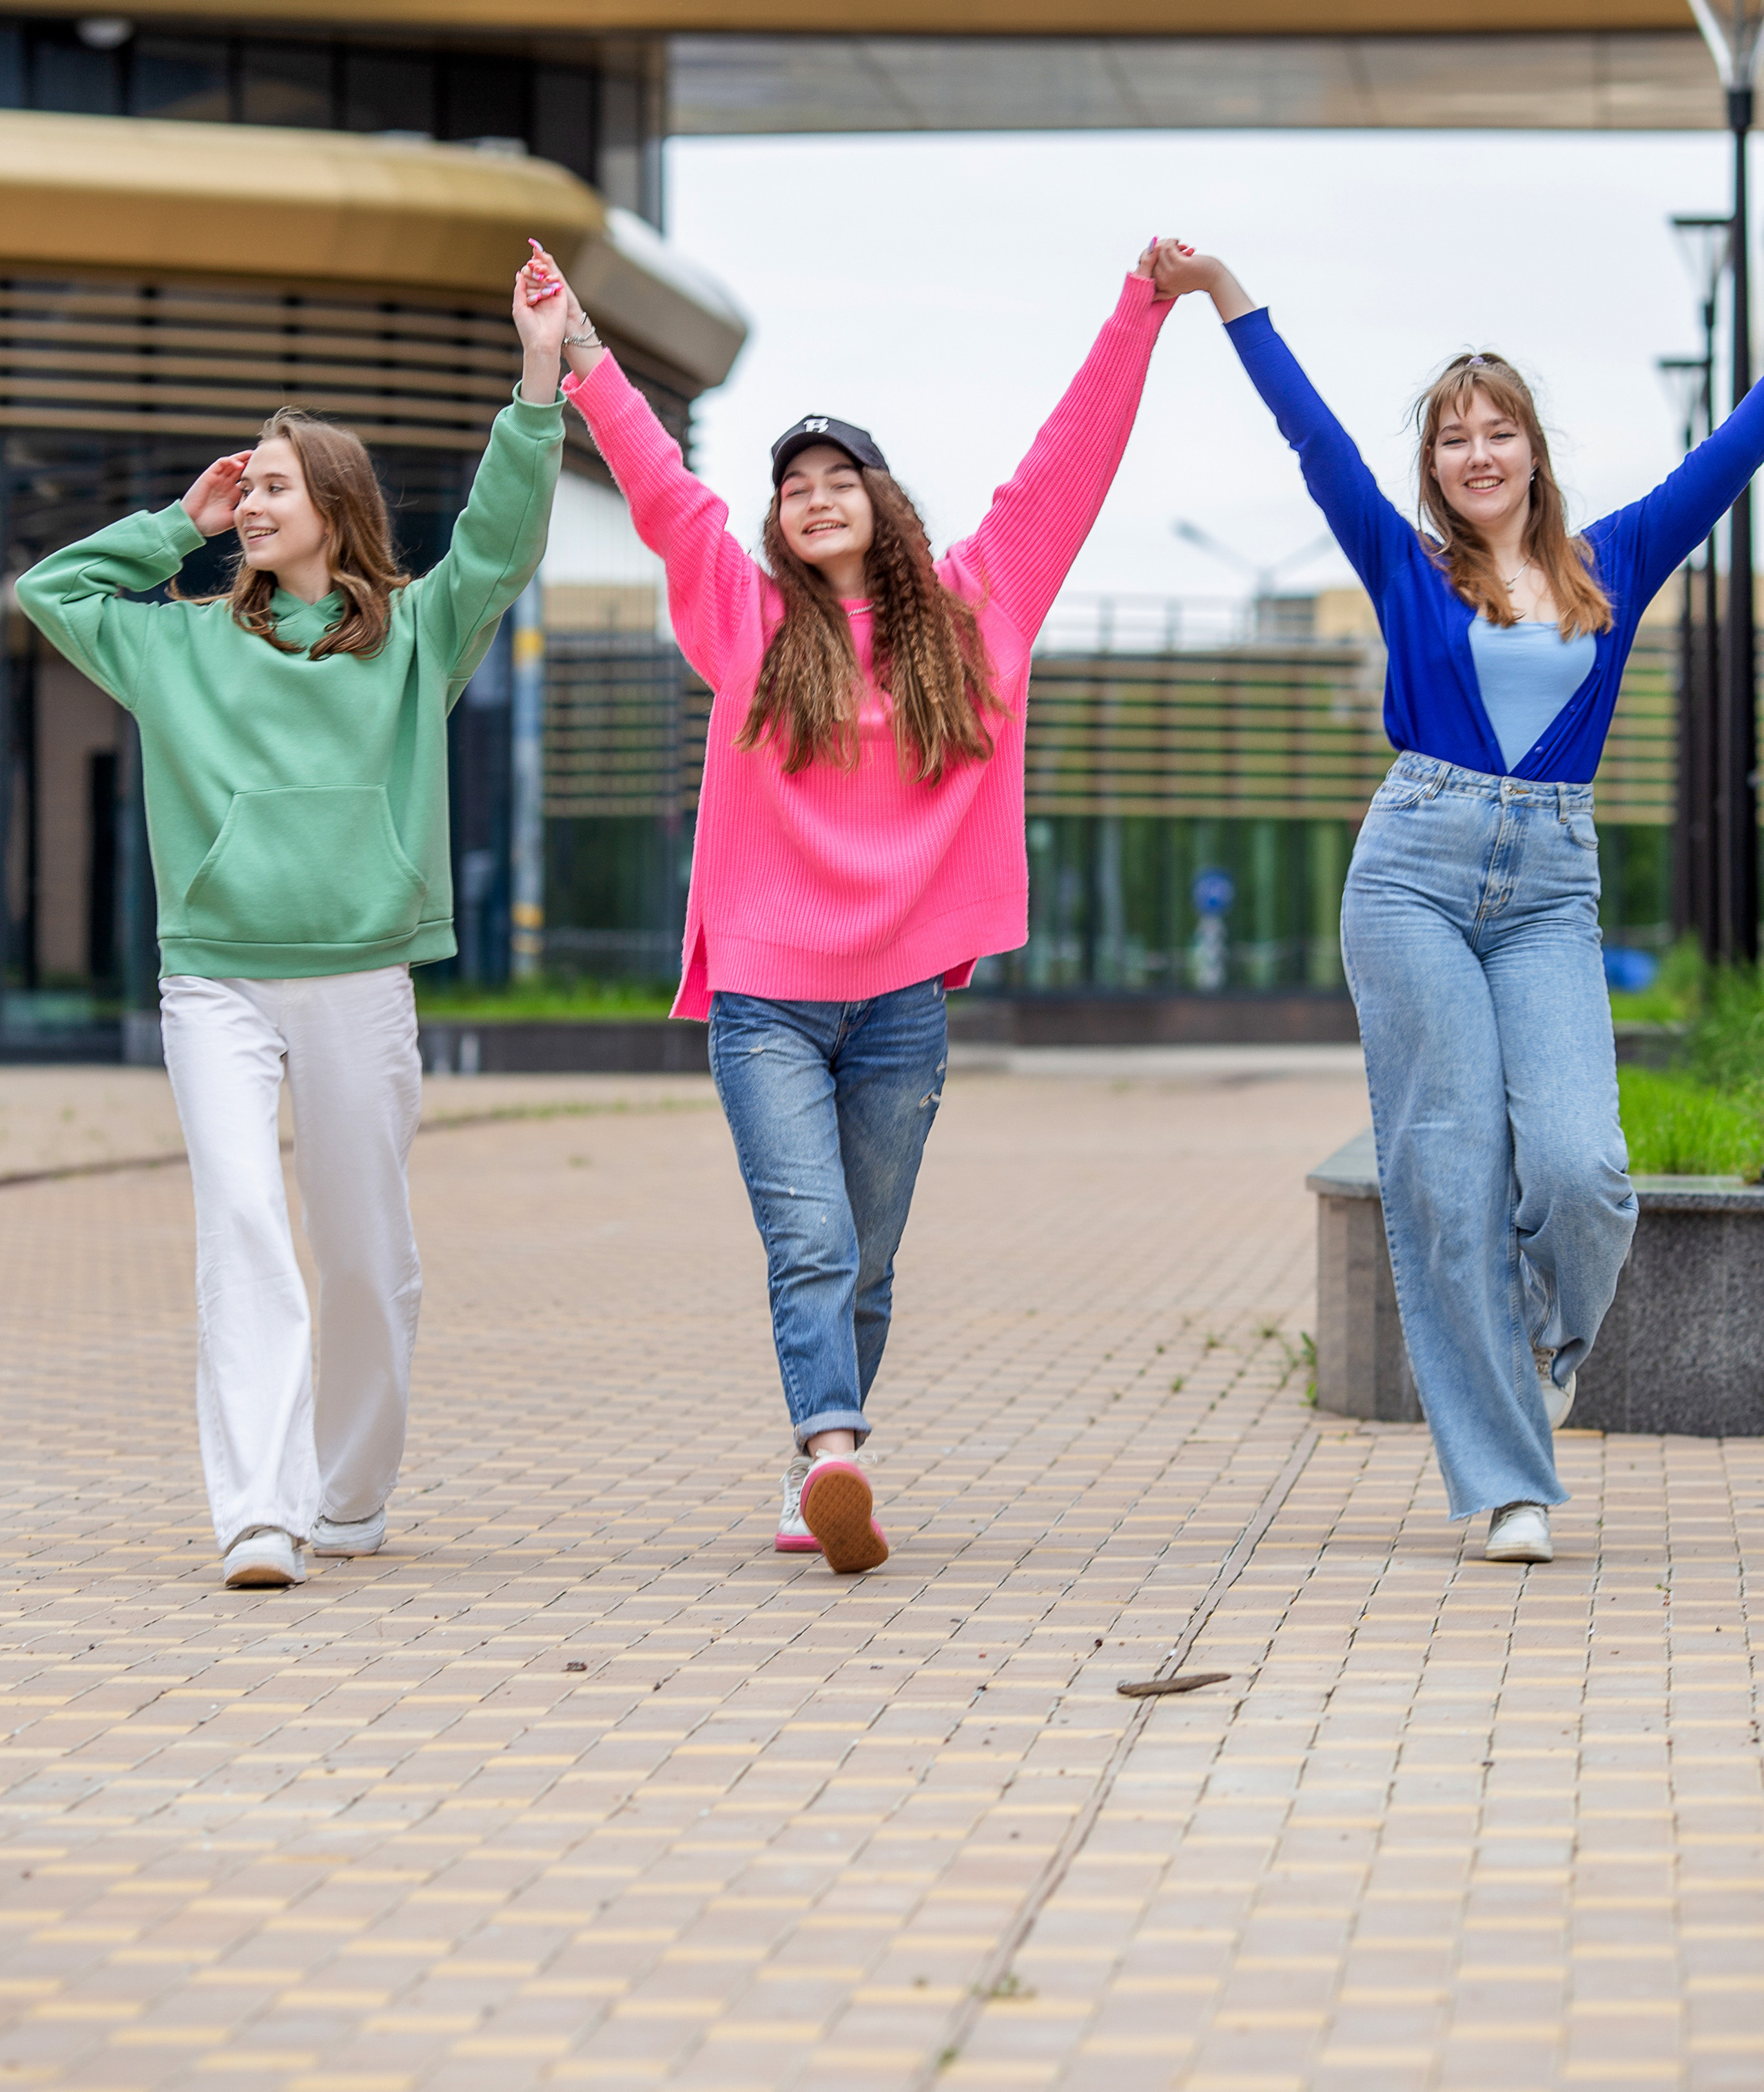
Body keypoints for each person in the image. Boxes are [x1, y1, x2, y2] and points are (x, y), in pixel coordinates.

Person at [517, 236, 1176, 1571]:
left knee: (863, 1261)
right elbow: (658, 489)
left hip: (896, 1002)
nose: (813, 498)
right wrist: (583, 356)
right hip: (766, 994)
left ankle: (814, 1454)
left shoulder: (973, 616)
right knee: (809, 1239)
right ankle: (831, 1448)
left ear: (880, 501)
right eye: (793, 486)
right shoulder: (743, 622)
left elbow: (1064, 471)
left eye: (837, 479)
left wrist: (1138, 308)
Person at [1147, 235, 1764, 1563]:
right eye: (1452, 439)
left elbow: (1733, 455)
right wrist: (1225, 295)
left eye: (1498, 432)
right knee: (1448, 1172)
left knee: (1584, 1170)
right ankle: (1508, 1486)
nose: (1476, 454)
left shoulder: (1619, 556)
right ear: (1433, 467)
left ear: (1534, 451)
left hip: (1549, 885)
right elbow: (1312, 440)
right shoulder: (1407, 567)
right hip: (1414, 875)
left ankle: (1550, 1341)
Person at [17, 301, 566, 1589]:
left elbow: (501, 535)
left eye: (272, 485)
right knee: (244, 1229)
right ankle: (258, 1512)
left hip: (360, 977)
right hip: (214, 977)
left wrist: (539, 369)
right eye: (246, 486)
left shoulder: (418, 635)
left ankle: (351, 1492)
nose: (252, 502)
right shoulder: (180, 643)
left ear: (335, 500)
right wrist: (178, 523)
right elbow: (50, 590)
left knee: (367, 1254)